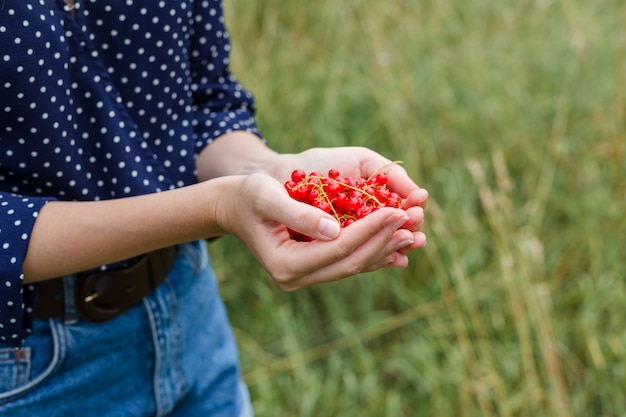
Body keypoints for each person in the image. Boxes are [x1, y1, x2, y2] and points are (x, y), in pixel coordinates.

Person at [0, 0, 428, 416]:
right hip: (27, 367)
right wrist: (219, 206)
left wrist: (267, 169)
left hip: (189, 311)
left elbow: (204, 103)